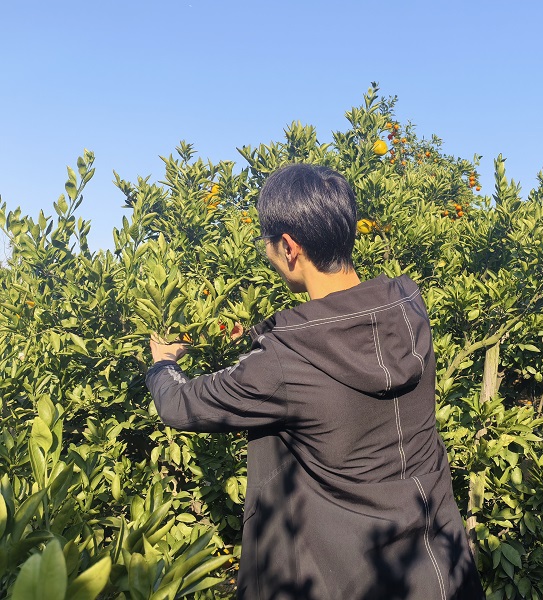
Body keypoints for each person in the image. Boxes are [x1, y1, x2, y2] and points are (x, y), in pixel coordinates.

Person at [147, 163, 484, 600]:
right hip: (442, 567)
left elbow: (181, 404)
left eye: (266, 244)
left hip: (354, 577)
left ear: (289, 246)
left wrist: (162, 365)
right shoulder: (408, 311)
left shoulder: (287, 360)